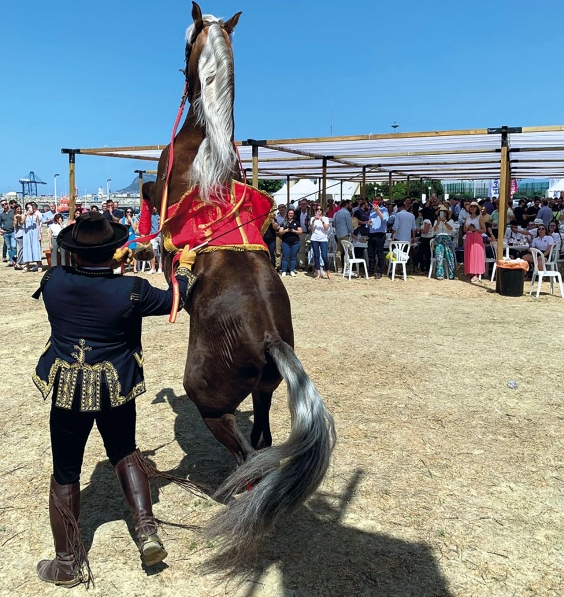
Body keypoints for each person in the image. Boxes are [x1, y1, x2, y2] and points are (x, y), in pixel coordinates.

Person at [32, 212, 196, 587]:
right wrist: (183, 270)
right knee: (125, 452)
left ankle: (67, 564)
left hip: (68, 391)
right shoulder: (133, 290)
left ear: (73, 252)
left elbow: (81, 280)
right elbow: (176, 300)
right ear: (113, 251)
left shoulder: (52, 280)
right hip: (115, 388)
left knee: (66, 472)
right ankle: (147, 532)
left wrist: (105, 265)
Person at [463, 201, 486, 282]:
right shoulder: (467, 218)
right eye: (471, 207)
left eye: (474, 207)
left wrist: (475, 229)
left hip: (476, 236)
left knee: (476, 253)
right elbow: (464, 230)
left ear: (477, 208)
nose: (472, 208)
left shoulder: (480, 217)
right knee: (469, 254)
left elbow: (484, 230)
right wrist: (468, 228)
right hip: (469, 236)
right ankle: (470, 270)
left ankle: (476, 272)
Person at [367, 197, 389, 279]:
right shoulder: (371, 211)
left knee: (380, 253)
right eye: (375, 200)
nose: (377, 201)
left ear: (382, 201)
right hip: (372, 233)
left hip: (380, 233)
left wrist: (378, 210)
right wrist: (368, 223)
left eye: (379, 200)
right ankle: (371, 270)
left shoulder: (384, 210)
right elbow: (369, 221)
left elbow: (385, 219)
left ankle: (380, 271)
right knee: (371, 253)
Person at [432, 205, 456, 280]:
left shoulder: (450, 221)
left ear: (446, 213)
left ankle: (451, 273)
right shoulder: (436, 221)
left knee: (449, 256)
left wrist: (444, 222)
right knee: (439, 255)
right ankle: (440, 274)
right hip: (438, 238)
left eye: (444, 212)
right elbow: (434, 230)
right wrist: (438, 223)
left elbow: (451, 229)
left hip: (447, 238)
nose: (442, 214)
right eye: (440, 212)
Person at [279, 208, 302, 277]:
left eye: (292, 213)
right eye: (289, 213)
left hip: (295, 242)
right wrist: (286, 230)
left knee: (293, 257)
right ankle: (284, 271)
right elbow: (280, 232)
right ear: (287, 214)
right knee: (285, 257)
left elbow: (300, 231)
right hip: (286, 242)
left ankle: (292, 270)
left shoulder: (296, 222)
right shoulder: (284, 222)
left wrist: (293, 231)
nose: (290, 215)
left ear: (293, 214)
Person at [309, 207, 331, 279]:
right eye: (317, 209)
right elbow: (312, 229)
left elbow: (326, 228)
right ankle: (318, 272)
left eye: (320, 209)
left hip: (323, 239)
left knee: (324, 256)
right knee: (316, 256)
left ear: (322, 211)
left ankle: (328, 271)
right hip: (314, 238)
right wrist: (313, 221)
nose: (318, 211)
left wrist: (322, 220)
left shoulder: (325, 218)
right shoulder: (312, 218)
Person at [22, 201, 43, 272]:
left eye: (30, 207)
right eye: (28, 207)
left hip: (34, 233)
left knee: (36, 248)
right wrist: (26, 214)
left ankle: (39, 264)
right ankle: (27, 265)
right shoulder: (24, 215)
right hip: (27, 233)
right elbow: (21, 222)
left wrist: (39, 234)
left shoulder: (36, 216)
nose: (29, 209)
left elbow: (38, 225)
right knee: (27, 248)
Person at [333, 199, 353, 271]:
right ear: (346, 205)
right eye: (350, 205)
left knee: (339, 251)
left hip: (338, 234)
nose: (351, 206)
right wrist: (352, 232)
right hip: (345, 233)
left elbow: (334, 224)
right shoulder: (346, 213)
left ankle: (339, 267)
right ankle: (347, 267)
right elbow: (349, 224)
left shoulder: (337, 213)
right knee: (347, 251)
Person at [0, 198, 16, 267]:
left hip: (13, 232)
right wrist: (1, 230)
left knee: (14, 246)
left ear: (8, 204)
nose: (4, 205)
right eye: (3, 205)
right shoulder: (1, 214)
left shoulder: (13, 212)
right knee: (9, 247)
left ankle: (15, 260)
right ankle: (11, 261)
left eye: (5, 204)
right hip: (6, 233)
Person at [296, 199, 310, 271]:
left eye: (304, 204)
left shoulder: (310, 212)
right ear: (300, 205)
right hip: (301, 233)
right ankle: (302, 265)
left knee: (310, 249)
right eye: (301, 204)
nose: (303, 205)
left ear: (307, 204)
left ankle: (311, 265)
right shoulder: (297, 212)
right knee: (301, 250)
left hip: (309, 233)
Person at [13, 204, 25, 269]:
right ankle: (17, 262)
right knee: (21, 249)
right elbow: (15, 225)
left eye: (20, 209)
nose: (19, 210)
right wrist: (16, 219)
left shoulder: (23, 215)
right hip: (19, 234)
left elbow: (22, 223)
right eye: (18, 209)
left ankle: (22, 261)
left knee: (23, 249)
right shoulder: (15, 216)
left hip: (24, 233)